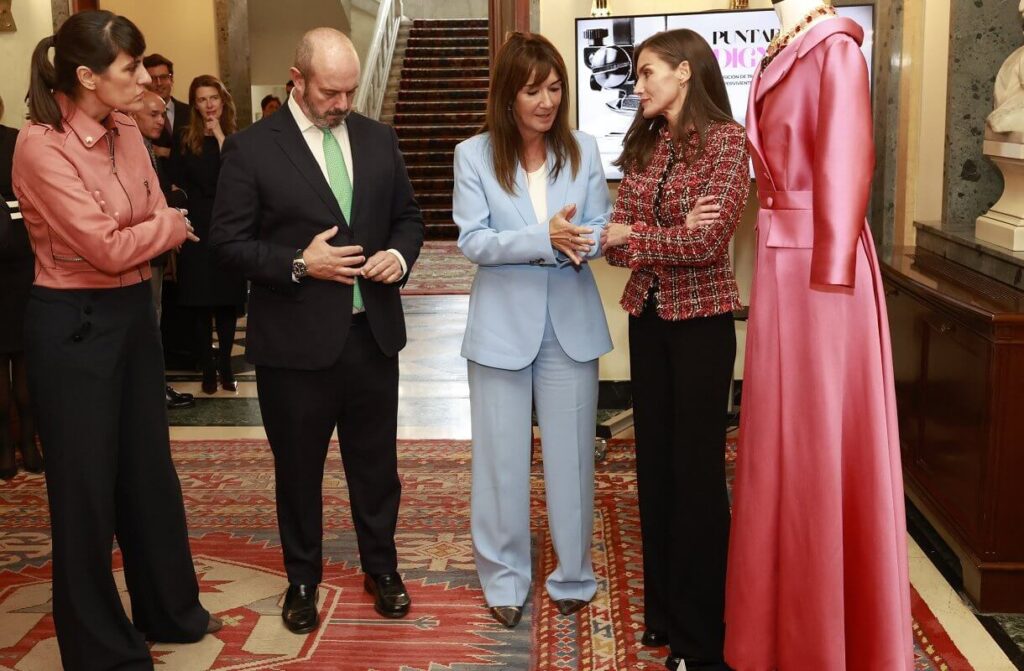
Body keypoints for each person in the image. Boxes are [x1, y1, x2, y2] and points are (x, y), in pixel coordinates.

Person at [12, 11, 219, 670]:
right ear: (85, 76)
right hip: (74, 325)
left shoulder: (126, 125)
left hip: (133, 314)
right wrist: (162, 228)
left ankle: (168, 610)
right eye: (129, 68)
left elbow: (150, 208)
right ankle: (99, 644)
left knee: (147, 474)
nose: (144, 80)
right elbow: (107, 245)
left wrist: (151, 225)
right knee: (86, 489)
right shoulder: (40, 144)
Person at [209, 27, 424, 634]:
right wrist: (301, 264)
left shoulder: (379, 138)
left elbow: (408, 218)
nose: (343, 104)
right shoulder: (252, 149)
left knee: (376, 467)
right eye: (331, 91)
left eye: (351, 91)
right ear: (296, 82)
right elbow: (226, 246)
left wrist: (399, 258)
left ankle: (382, 567)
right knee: (298, 471)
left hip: (372, 336)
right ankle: (302, 577)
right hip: (294, 347)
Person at [724, 3, 913, 669]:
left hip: (820, 274)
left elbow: (846, 161)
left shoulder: (836, 49)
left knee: (819, 441)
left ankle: (830, 639)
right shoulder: (789, 43)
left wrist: (830, 270)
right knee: (780, 445)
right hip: (784, 268)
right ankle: (779, 630)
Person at [451, 32, 612, 629]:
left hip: (570, 323)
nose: (547, 100)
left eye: (554, 87)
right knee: (499, 460)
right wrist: (544, 238)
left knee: (571, 458)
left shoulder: (585, 149)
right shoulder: (474, 155)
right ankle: (504, 578)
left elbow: (599, 227)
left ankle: (574, 575)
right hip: (501, 329)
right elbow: (473, 239)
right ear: (507, 95)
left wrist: (581, 240)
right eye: (532, 89)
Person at [601, 28, 749, 671]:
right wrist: (647, 234)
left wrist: (638, 233)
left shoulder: (727, 144)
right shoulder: (645, 144)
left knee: (696, 478)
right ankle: (663, 616)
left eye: (648, 72)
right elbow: (613, 245)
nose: (639, 85)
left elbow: (709, 245)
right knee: (656, 471)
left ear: (686, 72)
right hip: (650, 319)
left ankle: (702, 640)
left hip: (702, 327)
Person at [168, 75, 245, 394]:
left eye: (213, 97)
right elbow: (174, 178)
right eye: (201, 99)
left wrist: (220, 134)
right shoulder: (185, 137)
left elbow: (240, 173)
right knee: (200, 302)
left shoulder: (238, 137)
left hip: (230, 223)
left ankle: (226, 364)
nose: (208, 104)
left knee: (227, 301)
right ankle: (208, 370)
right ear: (195, 103)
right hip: (198, 225)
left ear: (223, 100)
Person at [133, 90, 195, 409]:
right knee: (148, 320)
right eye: (153, 114)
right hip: (138, 250)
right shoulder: (133, 148)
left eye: (162, 114)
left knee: (155, 317)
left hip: (154, 247)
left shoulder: (147, 147)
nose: (161, 120)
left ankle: (156, 387)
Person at [0, 95, 43, 478]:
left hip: (12, 265)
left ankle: (4, 453)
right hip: (21, 258)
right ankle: (29, 445)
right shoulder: (17, 140)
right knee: (24, 358)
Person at [143, 52, 189, 154]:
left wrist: (165, 152)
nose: (159, 83)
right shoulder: (138, 115)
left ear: (171, 79)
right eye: (153, 79)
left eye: (163, 77)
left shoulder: (191, 112)